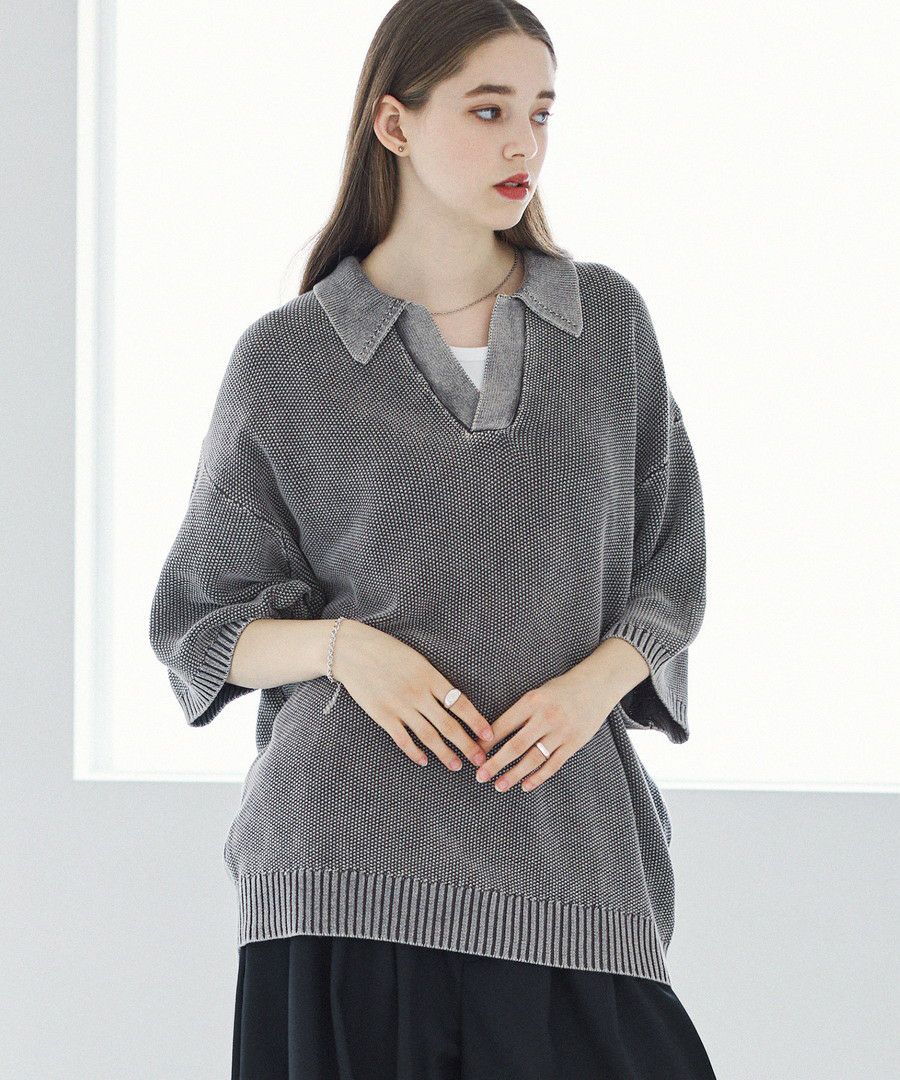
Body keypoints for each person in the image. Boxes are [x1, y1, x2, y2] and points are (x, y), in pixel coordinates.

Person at [149, 1, 717, 1076]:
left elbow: (673, 566)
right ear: (394, 123)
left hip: (563, 845)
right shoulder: (289, 359)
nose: (523, 144)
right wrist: (346, 650)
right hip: (345, 858)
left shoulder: (604, 324)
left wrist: (592, 686)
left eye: (541, 112)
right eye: (488, 109)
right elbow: (199, 623)